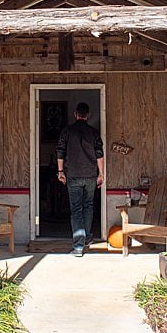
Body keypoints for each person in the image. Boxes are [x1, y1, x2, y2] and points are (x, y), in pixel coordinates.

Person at [55, 102, 104, 257]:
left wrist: (60, 171)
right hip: (90, 175)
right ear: (87, 115)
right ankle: (87, 238)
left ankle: (78, 247)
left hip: (73, 175)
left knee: (76, 209)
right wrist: (101, 174)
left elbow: (60, 151)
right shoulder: (94, 133)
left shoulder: (67, 131)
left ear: (75, 114)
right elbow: (99, 155)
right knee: (88, 206)